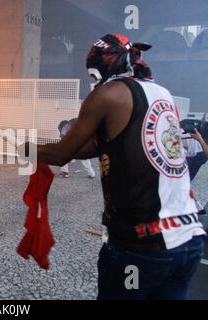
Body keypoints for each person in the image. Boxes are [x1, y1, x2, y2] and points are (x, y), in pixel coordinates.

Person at [26, 34, 205, 299]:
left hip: (141, 248)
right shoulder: (162, 93)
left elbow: (64, 153)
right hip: (189, 242)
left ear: (102, 67)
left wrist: (23, 148)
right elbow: (105, 145)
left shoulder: (108, 94)